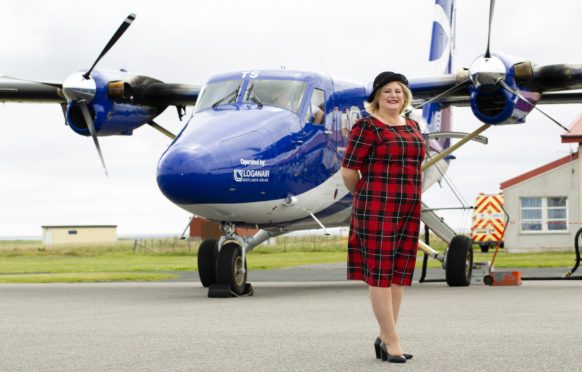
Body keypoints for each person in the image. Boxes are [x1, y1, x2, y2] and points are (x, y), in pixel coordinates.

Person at [341, 71, 426, 363]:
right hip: (377, 207)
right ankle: (392, 342)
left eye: (398, 91)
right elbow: (349, 171)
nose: (393, 96)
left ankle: (384, 337)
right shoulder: (366, 127)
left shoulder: (413, 125)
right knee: (379, 275)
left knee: (398, 275)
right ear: (377, 96)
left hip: (409, 206)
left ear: (405, 97)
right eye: (387, 91)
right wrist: (365, 195)